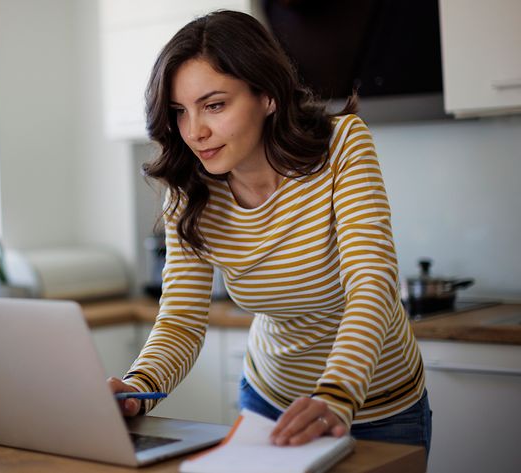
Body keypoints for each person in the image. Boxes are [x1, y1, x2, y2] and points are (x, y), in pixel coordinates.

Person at [107, 10, 432, 453]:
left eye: (214, 105)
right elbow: (182, 320)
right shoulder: (190, 190)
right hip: (268, 401)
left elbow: (371, 284)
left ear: (268, 97)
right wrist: (137, 389)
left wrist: (337, 394)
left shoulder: (341, 145)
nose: (195, 132)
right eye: (180, 112)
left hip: (378, 406)